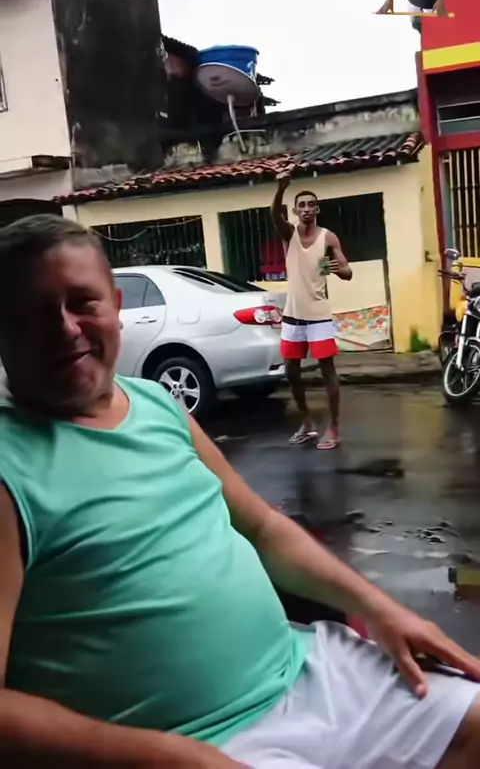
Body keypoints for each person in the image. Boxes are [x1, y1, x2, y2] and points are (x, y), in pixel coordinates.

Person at [1, 214, 480, 769]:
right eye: (33, 315)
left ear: (115, 305)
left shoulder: (156, 404)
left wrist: (383, 611)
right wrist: (166, 757)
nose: (65, 328)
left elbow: (261, 527)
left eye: (83, 302)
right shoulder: (10, 467)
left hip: (310, 670)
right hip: (196, 742)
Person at [271, 171, 351, 450]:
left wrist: (336, 269)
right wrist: (281, 189)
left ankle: (334, 427)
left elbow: (347, 271)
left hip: (318, 315)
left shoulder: (328, 238)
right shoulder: (289, 234)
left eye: (311, 205)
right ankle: (306, 423)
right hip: (293, 315)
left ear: (317, 210)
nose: (306, 209)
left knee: (328, 371)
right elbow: (274, 215)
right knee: (291, 372)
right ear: (295, 211)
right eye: (301, 205)